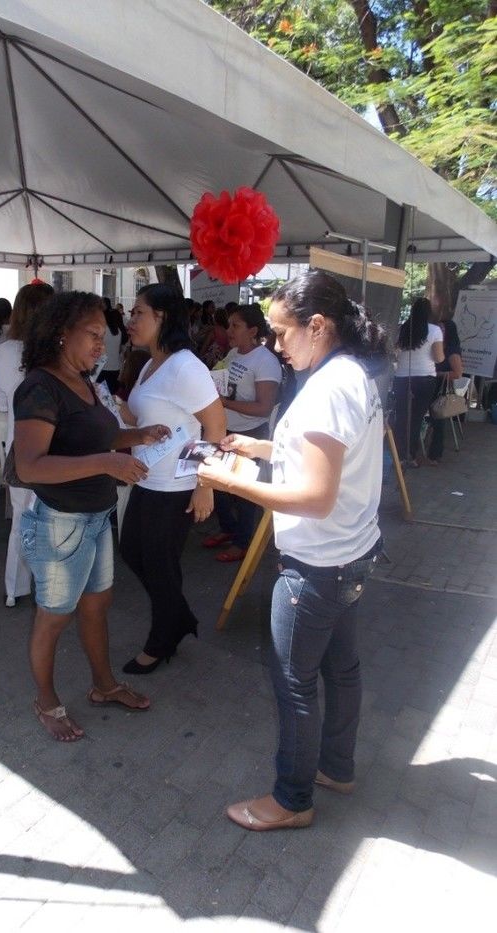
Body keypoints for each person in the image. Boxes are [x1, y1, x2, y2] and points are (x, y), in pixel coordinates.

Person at [197, 270, 387, 832]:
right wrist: (265, 447)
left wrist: (231, 482)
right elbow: (330, 455)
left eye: (283, 333)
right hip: (352, 554)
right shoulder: (351, 373)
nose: (277, 346)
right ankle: (335, 767)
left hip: (318, 566)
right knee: (341, 668)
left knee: (296, 683)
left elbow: (314, 496)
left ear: (319, 326)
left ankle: (291, 799)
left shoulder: (329, 388)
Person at [12, 290, 170, 741]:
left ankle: (103, 686)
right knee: (54, 616)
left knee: (97, 608)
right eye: (94, 335)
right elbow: (30, 466)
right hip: (61, 523)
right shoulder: (40, 387)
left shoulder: (82, 380)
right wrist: (106, 463)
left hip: (97, 517)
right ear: (61, 335)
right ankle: (46, 701)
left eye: (105, 336)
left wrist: (138, 435)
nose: (102, 345)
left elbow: (93, 439)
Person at [118, 284, 226, 673]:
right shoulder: (150, 363)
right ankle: (178, 618)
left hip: (176, 485)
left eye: (138, 313)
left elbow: (215, 427)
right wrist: (117, 408)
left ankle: (161, 640)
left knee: (161, 566)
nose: (131, 321)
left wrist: (205, 484)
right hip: (147, 478)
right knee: (132, 550)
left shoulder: (185, 366)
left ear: (163, 317)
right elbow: (144, 418)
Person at [0, 280, 54, 607]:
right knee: (58, 517)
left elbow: (0, 401)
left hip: (21, 445)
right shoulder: (58, 351)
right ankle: (54, 585)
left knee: (21, 518)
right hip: (59, 446)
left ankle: (16, 589)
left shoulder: (5, 351)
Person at [207, 303, 281, 562]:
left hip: (251, 434)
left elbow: (263, 408)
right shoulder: (234, 354)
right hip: (227, 429)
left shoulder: (266, 362)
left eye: (235, 326)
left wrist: (225, 403)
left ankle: (243, 541)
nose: (229, 330)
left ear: (253, 331)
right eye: (228, 325)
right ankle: (229, 529)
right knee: (219, 485)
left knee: (245, 491)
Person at [392, 297, 444, 467]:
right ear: (429, 313)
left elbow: (396, 352)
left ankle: (397, 454)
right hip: (425, 379)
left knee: (401, 416)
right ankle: (410, 456)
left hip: (401, 378)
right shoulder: (435, 331)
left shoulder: (403, 329)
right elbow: (438, 357)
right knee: (416, 419)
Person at [427, 319, 463, 464]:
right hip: (432, 385)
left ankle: (435, 454)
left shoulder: (452, 350)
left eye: (442, 329)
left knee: (438, 422)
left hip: (441, 388)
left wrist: (438, 374)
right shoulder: (437, 345)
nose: (439, 331)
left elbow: (458, 373)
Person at [97, 298, 128, 393]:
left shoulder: (102, 331)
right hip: (115, 367)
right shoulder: (118, 331)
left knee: (101, 397)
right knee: (112, 396)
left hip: (102, 367)